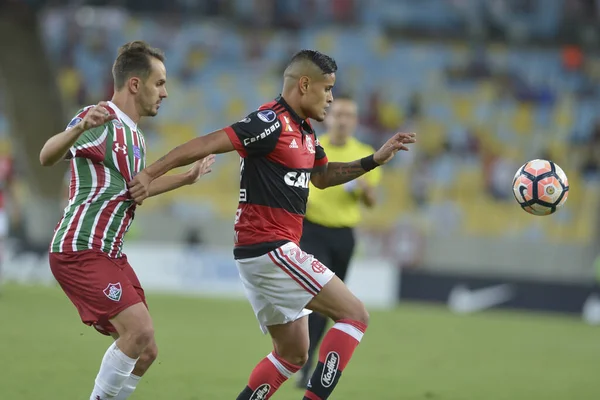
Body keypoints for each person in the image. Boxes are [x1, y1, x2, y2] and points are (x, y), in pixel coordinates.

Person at [128, 49, 416, 400]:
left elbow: (322, 177)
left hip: (263, 253)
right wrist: (149, 173)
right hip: (270, 248)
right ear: (304, 85)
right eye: (327, 89)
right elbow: (206, 144)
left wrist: (374, 160)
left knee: (292, 354)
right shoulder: (270, 122)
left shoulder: (307, 132)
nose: (330, 98)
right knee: (355, 315)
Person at [39, 41, 214, 400]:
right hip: (81, 247)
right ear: (135, 84)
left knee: (146, 349)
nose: (165, 93)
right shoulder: (100, 117)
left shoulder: (135, 136)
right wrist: (77, 129)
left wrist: (186, 178)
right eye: (160, 83)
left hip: (111, 254)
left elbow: (138, 189)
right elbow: (46, 155)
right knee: (137, 330)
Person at [295, 94, 381, 388]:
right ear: (329, 117)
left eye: (349, 115)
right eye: (338, 114)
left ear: (355, 121)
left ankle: (308, 364)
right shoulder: (315, 147)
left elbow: (371, 202)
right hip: (311, 230)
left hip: (343, 237)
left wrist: (365, 187)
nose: (342, 120)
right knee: (319, 301)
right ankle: (304, 364)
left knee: (333, 306)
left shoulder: (365, 153)